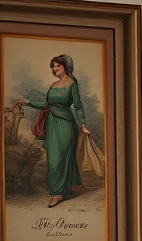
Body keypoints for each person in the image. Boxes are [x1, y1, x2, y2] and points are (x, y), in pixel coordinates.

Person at [16, 54, 90, 208]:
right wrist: (28, 102)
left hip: (66, 125)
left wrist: (82, 124)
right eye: (53, 67)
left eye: (58, 66)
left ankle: (58, 193)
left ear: (66, 67)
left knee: (61, 158)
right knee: (52, 158)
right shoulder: (53, 86)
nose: (55, 69)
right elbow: (46, 105)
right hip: (52, 125)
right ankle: (62, 189)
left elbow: (78, 105)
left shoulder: (72, 84)